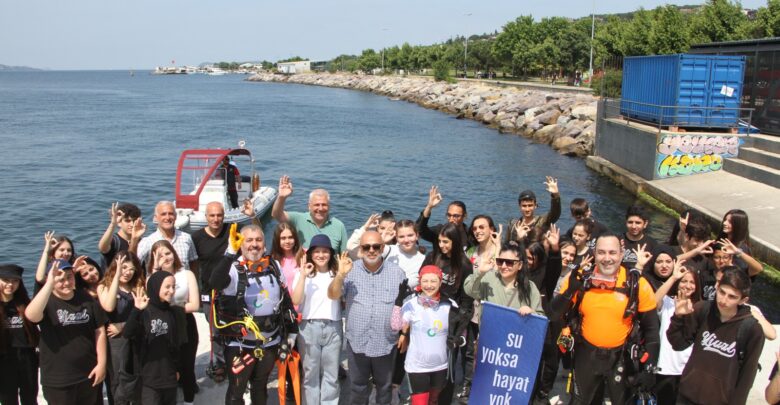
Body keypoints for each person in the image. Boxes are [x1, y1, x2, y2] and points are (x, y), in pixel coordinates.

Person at [550, 233, 659, 405]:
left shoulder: (637, 285)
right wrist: (571, 290)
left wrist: (650, 368)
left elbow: (652, 330)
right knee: (580, 401)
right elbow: (554, 314)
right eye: (601, 252)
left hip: (621, 357)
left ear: (621, 254)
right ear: (594, 254)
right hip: (586, 354)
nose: (607, 258)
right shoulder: (580, 278)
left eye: (612, 252)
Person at [209, 224, 299, 405]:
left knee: (260, 386)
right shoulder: (233, 269)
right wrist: (230, 252)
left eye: (258, 240)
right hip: (240, 346)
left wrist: (292, 332)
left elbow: (286, 300)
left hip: (269, 343)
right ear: (241, 244)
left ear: (265, 244)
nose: (254, 244)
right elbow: (215, 282)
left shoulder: (274, 266)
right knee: (236, 391)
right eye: (248, 240)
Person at [327, 230, 406, 405]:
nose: (371, 250)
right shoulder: (350, 271)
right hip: (357, 341)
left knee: (384, 387)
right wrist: (340, 275)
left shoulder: (397, 273)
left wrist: (405, 334)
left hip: (385, 343)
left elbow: (405, 308)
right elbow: (333, 295)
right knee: (357, 387)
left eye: (376, 246)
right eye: (366, 247)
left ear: (382, 248)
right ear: (360, 249)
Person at [667, 268, 764, 405]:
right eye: (722, 292)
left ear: (743, 300)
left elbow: (746, 378)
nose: (723, 300)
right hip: (687, 395)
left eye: (732, 297)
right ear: (717, 287)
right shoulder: (703, 309)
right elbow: (678, 344)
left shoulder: (752, 330)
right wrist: (678, 317)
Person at [25, 259, 108, 405]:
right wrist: (49, 283)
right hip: (58, 379)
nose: (66, 283)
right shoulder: (46, 301)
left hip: (88, 373)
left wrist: (101, 364)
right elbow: (31, 316)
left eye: (69, 277)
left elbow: (99, 331)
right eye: (60, 279)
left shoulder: (86, 298)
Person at [390, 265, 465, 405]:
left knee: (434, 401)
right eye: (425, 281)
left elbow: (460, 330)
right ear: (420, 282)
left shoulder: (450, 304)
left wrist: (459, 340)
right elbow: (395, 326)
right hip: (417, 366)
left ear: (440, 282)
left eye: (433, 281)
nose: (429, 285)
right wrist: (398, 303)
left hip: (440, 366)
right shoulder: (412, 304)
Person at [636, 246, 698, 405]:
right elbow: (653, 301)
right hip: (666, 367)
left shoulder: (701, 307)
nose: (687, 285)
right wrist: (674, 277)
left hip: (690, 368)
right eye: (684, 281)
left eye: (692, 282)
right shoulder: (668, 302)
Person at [421, 223, 474, 403]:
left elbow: (467, 302)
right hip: (429, 317)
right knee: (427, 364)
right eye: (439, 241)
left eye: (446, 242)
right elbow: (421, 283)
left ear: (455, 242)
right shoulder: (432, 257)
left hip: (450, 322)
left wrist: (457, 333)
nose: (441, 245)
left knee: (446, 370)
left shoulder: (465, 265)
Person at [291, 234, 343, 405]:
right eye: (317, 251)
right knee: (310, 374)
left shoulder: (337, 273)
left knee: (331, 374)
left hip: (333, 326)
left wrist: (341, 273)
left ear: (331, 254)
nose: (321, 255)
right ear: (310, 254)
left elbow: (339, 296)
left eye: (325, 251)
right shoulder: (303, 274)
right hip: (309, 326)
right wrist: (302, 276)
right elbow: (296, 300)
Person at [146, 240, 200, 405]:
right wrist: (155, 268)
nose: (165, 258)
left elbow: (195, 305)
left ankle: (189, 401)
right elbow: (150, 301)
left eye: (168, 253)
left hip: (184, 324)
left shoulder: (186, 274)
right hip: (162, 327)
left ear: (174, 253)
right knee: (167, 366)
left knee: (187, 365)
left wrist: (169, 310)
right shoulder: (152, 278)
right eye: (160, 255)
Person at [123, 271, 181, 405]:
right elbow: (127, 333)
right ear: (156, 286)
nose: (171, 291)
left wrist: (177, 368)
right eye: (167, 287)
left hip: (169, 377)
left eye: (173, 287)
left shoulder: (171, 312)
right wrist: (137, 310)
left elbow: (175, 345)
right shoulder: (145, 310)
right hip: (149, 379)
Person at [191, 201, 232, 381]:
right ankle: (219, 363)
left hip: (231, 290)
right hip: (209, 292)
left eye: (219, 215)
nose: (216, 219)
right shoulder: (197, 237)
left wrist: (253, 216)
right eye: (212, 215)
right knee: (215, 331)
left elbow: (255, 234)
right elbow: (193, 264)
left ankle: (234, 361)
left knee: (233, 328)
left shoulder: (232, 231)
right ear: (206, 217)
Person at [97, 253, 146, 405]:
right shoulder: (103, 287)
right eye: (124, 268)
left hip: (136, 337)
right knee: (118, 379)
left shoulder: (138, 286)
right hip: (116, 342)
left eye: (131, 269)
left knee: (138, 375)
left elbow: (145, 314)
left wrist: (123, 325)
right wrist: (116, 277)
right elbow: (109, 306)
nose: (127, 272)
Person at [465, 241, 545, 317]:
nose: (503, 266)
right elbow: (470, 291)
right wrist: (480, 272)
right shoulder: (489, 279)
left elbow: (540, 318)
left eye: (509, 262)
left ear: (520, 265)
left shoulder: (530, 287)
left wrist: (531, 313)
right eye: (500, 261)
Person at [271, 175, 348, 252]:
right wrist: (281, 197)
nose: (320, 208)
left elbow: (344, 254)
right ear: (309, 206)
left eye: (324, 205)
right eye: (316, 205)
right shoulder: (299, 219)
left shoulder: (339, 226)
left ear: (329, 206)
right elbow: (276, 215)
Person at [0, 264, 39, 405]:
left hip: (27, 357)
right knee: (8, 399)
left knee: (30, 398)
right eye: (5, 280)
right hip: (4, 358)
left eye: (15, 281)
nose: (10, 284)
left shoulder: (25, 303)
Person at [137, 201, 199, 272]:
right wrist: (134, 239)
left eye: (171, 214)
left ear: (175, 216)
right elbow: (133, 263)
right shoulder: (147, 241)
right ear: (156, 218)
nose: (167, 217)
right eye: (163, 214)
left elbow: (193, 263)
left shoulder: (186, 238)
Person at [505, 177, 561, 245]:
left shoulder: (542, 222)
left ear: (535, 206)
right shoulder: (513, 225)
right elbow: (506, 246)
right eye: (524, 206)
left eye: (530, 205)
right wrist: (518, 240)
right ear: (519, 206)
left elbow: (555, 213)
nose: (527, 209)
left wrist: (555, 195)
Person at [416, 185, 468, 253]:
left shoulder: (469, 234)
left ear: (465, 216)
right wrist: (429, 207)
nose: (451, 219)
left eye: (456, 216)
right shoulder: (439, 231)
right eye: (449, 215)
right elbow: (419, 230)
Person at [620, 205, 658, 269]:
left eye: (638, 223)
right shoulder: (617, 240)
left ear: (645, 224)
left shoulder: (652, 244)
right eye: (630, 222)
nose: (633, 226)